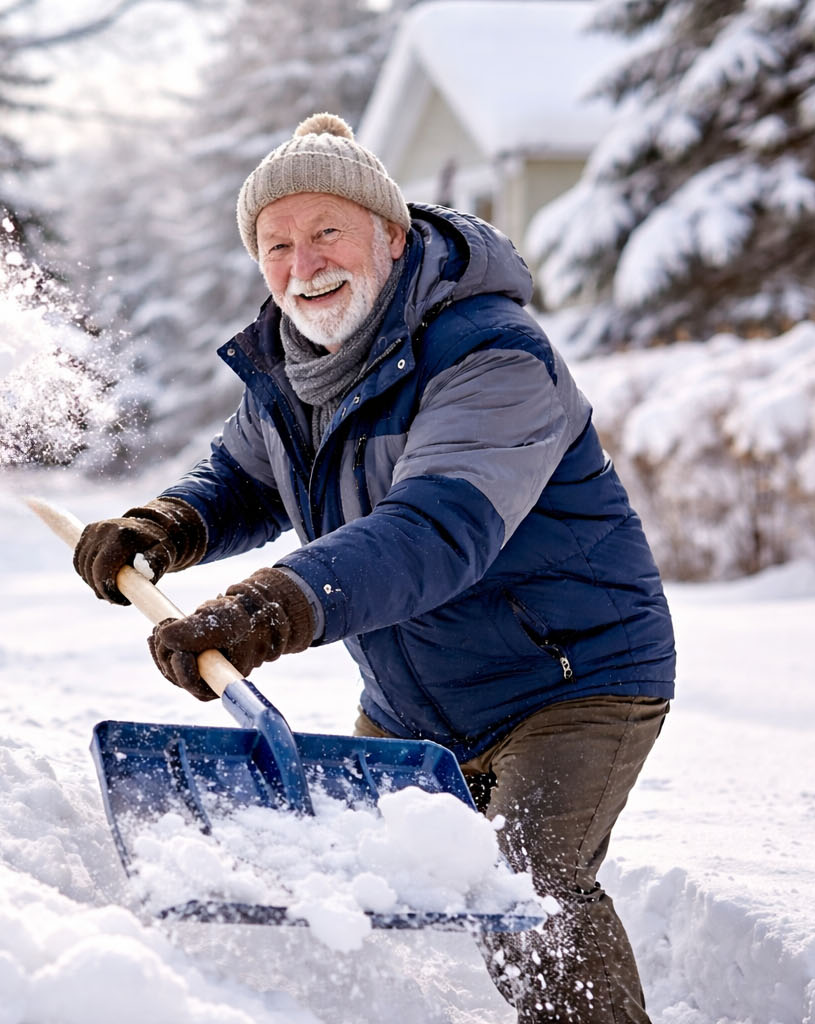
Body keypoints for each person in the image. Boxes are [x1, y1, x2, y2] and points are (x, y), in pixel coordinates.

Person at [72, 112, 676, 1023]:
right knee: (346, 881)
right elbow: (239, 478)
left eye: (327, 233)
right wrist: (162, 528)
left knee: (527, 892)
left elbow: (436, 530)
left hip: (569, 679)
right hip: (414, 701)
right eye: (276, 244)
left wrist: (265, 609)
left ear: (391, 239)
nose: (302, 264)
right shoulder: (295, 369)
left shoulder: (491, 354)